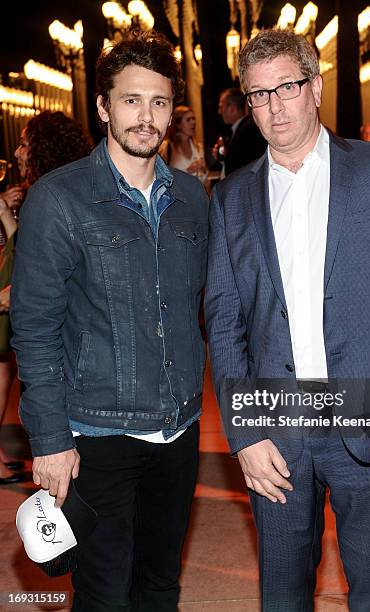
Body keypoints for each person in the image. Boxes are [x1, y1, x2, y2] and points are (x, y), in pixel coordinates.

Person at [204, 29, 370, 612]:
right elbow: (225, 323)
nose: (274, 106)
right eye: (259, 94)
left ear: (315, 88)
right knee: (283, 594)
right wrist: (244, 433)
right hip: (275, 428)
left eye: (287, 87)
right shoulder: (231, 199)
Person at [11, 30, 208, 611]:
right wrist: (48, 440)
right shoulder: (59, 199)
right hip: (96, 437)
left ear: (172, 110)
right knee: (103, 596)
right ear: (102, 107)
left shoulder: (192, 201)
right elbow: (36, 328)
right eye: (130, 100)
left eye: (159, 102)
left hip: (178, 431)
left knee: (160, 585)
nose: (146, 117)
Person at [0, 111, 92, 485]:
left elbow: (38, 263)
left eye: (24, 143)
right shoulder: (76, 188)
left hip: (58, 332)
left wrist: (14, 295)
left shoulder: (49, 194)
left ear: (43, 148)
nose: (19, 152)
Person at [213, 87, 266, 176]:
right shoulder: (240, 129)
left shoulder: (248, 130)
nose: (219, 112)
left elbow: (243, 167)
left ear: (232, 109)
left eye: (221, 107)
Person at [160, 105, 208, 185]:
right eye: (188, 120)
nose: (193, 122)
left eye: (193, 119)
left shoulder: (198, 147)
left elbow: (204, 176)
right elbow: (161, 176)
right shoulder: (167, 147)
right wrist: (188, 171)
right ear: (178, 125)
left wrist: (203, 170)